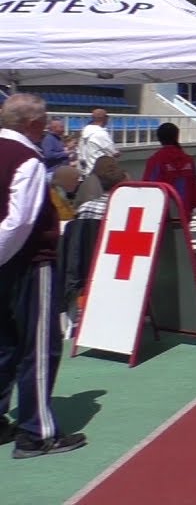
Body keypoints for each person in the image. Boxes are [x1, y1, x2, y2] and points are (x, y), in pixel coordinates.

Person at [0, 93, 88, 458]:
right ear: (34, 124)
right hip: (28, 263)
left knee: (3, 344)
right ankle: (37, 432)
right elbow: (20, 220)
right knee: (38, 347)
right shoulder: (28, 159)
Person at [142, 123, 196, 222]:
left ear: (159, 138)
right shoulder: (188, 160)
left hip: (162, 213)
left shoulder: (156, 160)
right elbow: (194, 184)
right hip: (184, 210)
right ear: (176, 136)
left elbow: (149, 185)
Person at [74, 108, 118, 207]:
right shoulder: (101, 134)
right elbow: (114, 152)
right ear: (105, 118)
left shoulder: (84, 132)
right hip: (100, 176)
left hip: (85, 174)